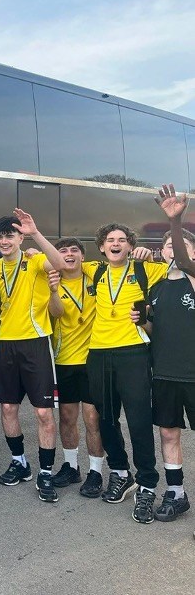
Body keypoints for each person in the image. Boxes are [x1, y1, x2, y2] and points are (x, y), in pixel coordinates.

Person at [0, 210, 66, 503]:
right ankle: (19, 462)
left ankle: (45, 472)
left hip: (36, 343)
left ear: (20, 238)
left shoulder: (35, 260)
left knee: (43, 413)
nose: (4, 241)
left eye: (10, 236)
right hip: (6, 344)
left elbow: (60, 263)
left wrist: (36, 234)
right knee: (7, 409)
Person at [82, 221, 166, 522]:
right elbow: (59, 260)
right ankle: (120, 472)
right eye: (109, 239)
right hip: (99, 353)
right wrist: (34, 239)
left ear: (130, 245)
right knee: (105, 418)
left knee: (138, 421)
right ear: (102, 246)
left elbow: (182, 266)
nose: (115, 243)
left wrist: (152, 255)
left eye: (121, 239)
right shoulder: (95, 271)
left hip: (134, 353)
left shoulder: (146, 269)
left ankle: (147, 484)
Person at [147, 184, 195, 525]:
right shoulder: (156, 286)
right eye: (166, 246)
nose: (173, 251)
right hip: (164, 372)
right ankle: (176, 494)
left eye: (179, 246)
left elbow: (184, 261)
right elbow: (154, 332)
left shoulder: (193, 277)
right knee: (167, 433)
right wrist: (142, 320)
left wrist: (175, 223)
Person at [46, 238, 105, 498]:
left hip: (92, 360)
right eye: (63, 251)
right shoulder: (52, 280)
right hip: (64, 360)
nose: (68, 254)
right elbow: (57, 313)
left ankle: (96, 471)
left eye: (74, 251)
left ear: (82, 256)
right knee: (68, 418)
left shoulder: (95, 275)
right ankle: (71, 467)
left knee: (92, 419)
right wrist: (53, 291)